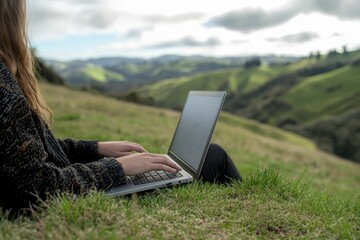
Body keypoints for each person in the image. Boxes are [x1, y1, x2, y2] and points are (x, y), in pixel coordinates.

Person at [0, 0, 242, 211]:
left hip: (70, 177)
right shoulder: (5, 90)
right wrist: (117, 168)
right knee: (215, 155)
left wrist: (96, 148)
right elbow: (36, 189)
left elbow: (30, 150)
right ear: (11, 15)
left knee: (200, 156)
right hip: (75, 195)